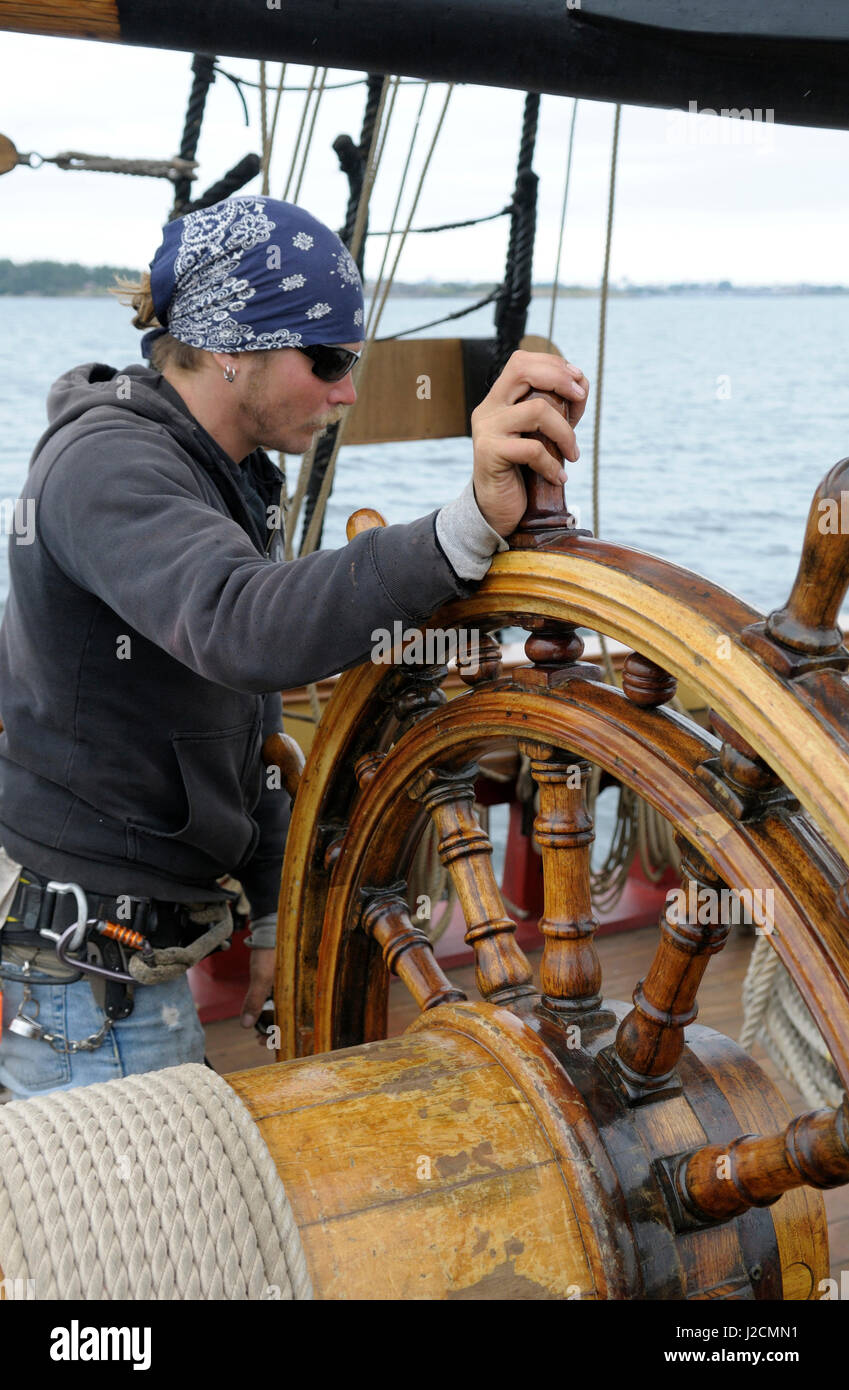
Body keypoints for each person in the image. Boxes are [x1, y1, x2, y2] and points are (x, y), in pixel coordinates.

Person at [0, 195, 588, 1099]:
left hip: (137, 956)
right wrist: (461, 531)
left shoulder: (223, 473)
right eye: (329, 360)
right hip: (92, 984)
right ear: (233, 349)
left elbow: (247, 721)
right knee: (154, 1241)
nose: (348, 391)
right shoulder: (107, 468)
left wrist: (274, 909)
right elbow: (244, 626)